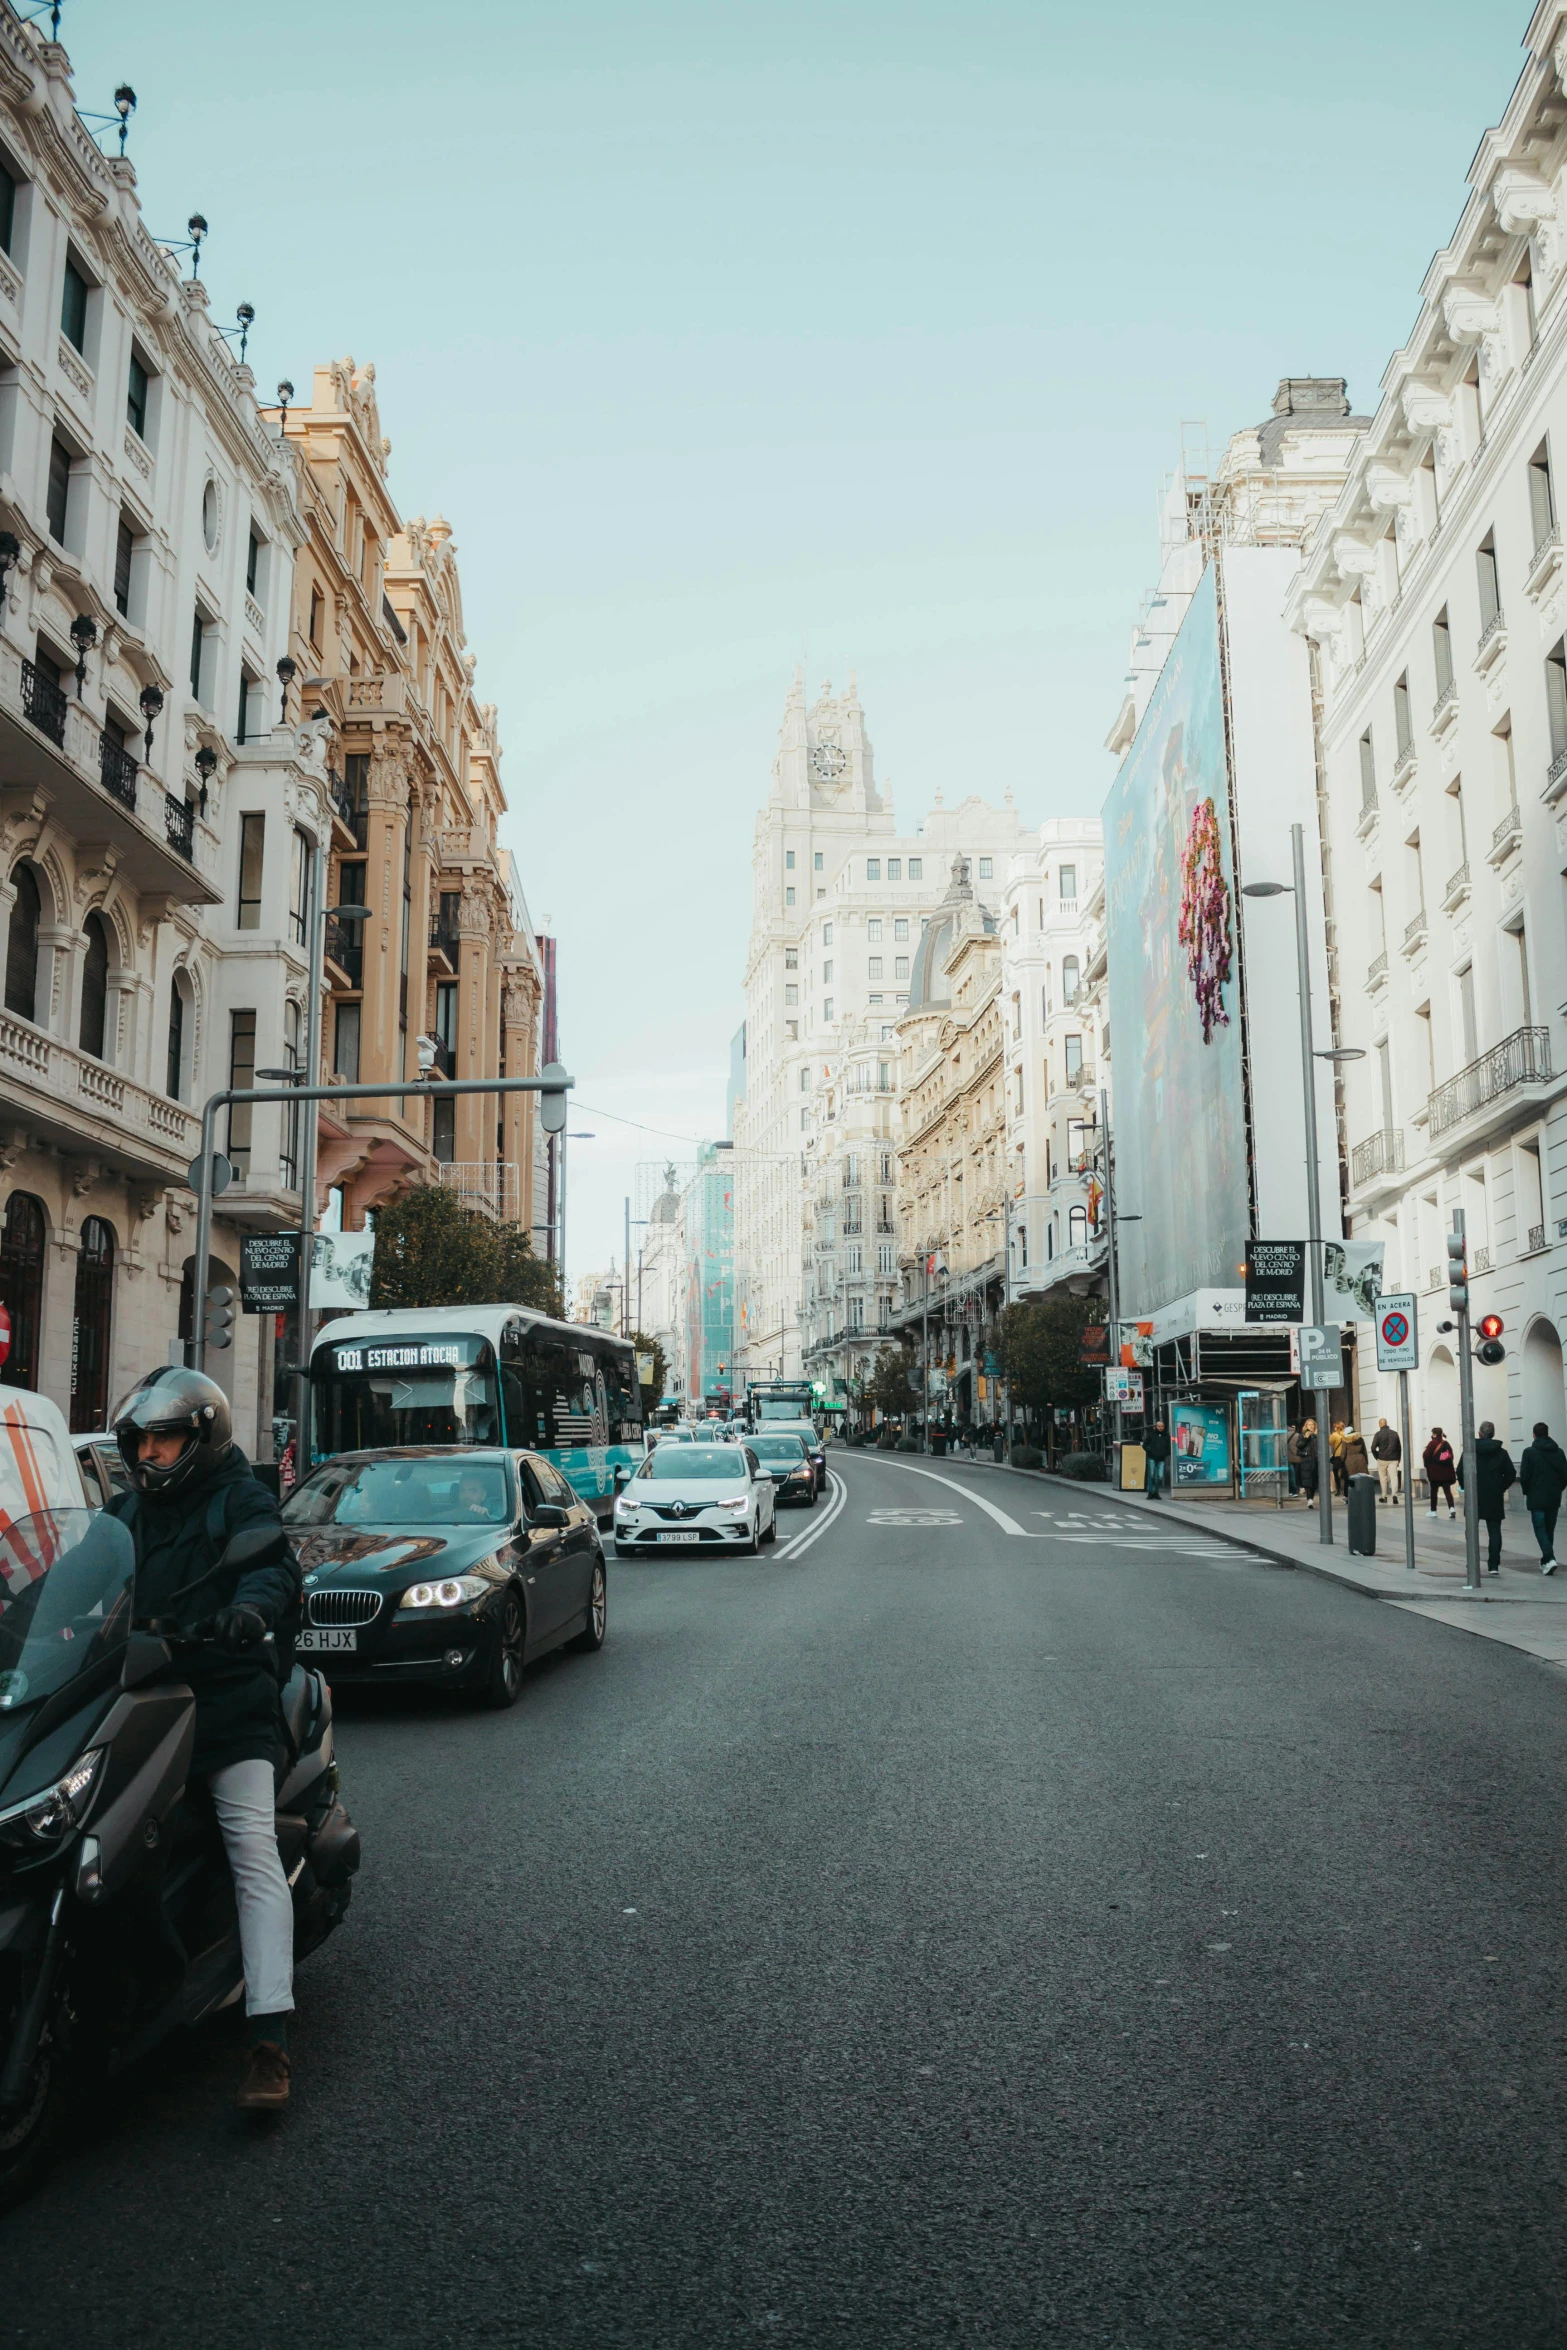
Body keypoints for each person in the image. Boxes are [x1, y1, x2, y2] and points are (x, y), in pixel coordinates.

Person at [107, 1367, 302, 2113]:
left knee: (251, 1847)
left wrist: (248, 1612)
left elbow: (270, 1569)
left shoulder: (240, 1498)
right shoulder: (124, 1514)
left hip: (227, 1702)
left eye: (166, 1438)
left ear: (203, 1436)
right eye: (143, 1440)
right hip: (142, 1702)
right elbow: (85, 1580)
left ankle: (268, 2036)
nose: (152, 1453)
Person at [1457, 1420, 1516, 1575]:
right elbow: (1511, 1474)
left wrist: (1466, 1486)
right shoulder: (1501, 1453)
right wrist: (1500, 1487)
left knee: (1471, 1529)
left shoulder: (1470, 1451)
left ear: (1480, 1434)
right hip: (1494, 1496)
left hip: (1474, 1494)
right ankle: (1494, 1565)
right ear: (1493, 1434)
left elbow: (1459, 1470)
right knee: (1494, 1531)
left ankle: (1472, 1560)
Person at [1519, 1420, 1567, 1574]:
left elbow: (1524, 1476)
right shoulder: (1559, 1452)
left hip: (1536, 1497)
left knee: (1540, 1529)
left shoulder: (1529, 1452)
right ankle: (1546, 1562)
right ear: (1547, 1434)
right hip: (1554, 1497)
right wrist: (1559, 1489)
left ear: (1534, 1435)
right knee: (1549, 1529)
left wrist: (1527, 1491)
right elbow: (1565, 1475)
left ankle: (1549, 1557)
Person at [1423, 1427, 1457, 1519]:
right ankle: (1452, 1509)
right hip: (1446, 1473)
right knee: (1447, 1491)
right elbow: (1451, 1456)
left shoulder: (1432, 1444)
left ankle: (1433, 1511)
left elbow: (1426, 1456)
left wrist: (1429, 1466)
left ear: (1434, 1434)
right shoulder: (1446, 1444)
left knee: (1434, 1491)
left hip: (1435, 1474)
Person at [1371, 1417, 1401, 1505]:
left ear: (1380, 1424)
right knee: (1394, 1477)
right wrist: (1398, 1459)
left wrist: (1377, 1456)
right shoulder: (1395, 1434)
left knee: (1383, 1478)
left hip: (1382, 1458)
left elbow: (1373, 1448)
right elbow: (1399, 1448)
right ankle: (1394, 1495)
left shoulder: (1378, 1434)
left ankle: (1384, 1496)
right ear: (1386, 1423)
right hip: (1393, 1458)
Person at [1144, 1418, 1171, 1499]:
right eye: (1159, 1426)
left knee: (1160, 1476)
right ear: (1155, 1427)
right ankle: (1150, 1492)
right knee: (1151, 1476)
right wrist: (1149, 1451)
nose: (1160, 1428)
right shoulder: (1151, 1435)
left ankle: (1156, 1491)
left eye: (1162, 1426)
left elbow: (1169, 1447)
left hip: (1161, 1459)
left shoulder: (1166, 1436)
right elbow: (1144, 1445)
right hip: (1151, 1458)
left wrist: (1165, 1453)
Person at [1298, 1418, 1320, 1507]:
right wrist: (1305, 1438)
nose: (1311, 1426)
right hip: (1306, 1461)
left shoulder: (1317, 1435)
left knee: (1314, 1481)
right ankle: (1309, 1499)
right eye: (1309, 1425)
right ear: (1306, 1426)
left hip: (1316, 1461)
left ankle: (1311, 1498)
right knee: (1308, 1481)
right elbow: (1299, 1446)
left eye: (1312, 1425)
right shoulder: (1302, 1435)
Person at [1328, 1420, 1348, 1497]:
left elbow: (1329, 1442)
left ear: (1336, 1427)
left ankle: (1339, 1489)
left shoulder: (1335, 1435)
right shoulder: (1346, 1434)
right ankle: (1346, 1487)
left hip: (1337, 1456)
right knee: (1345, 1472)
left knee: (1335, 1472)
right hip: (1345, 1456)